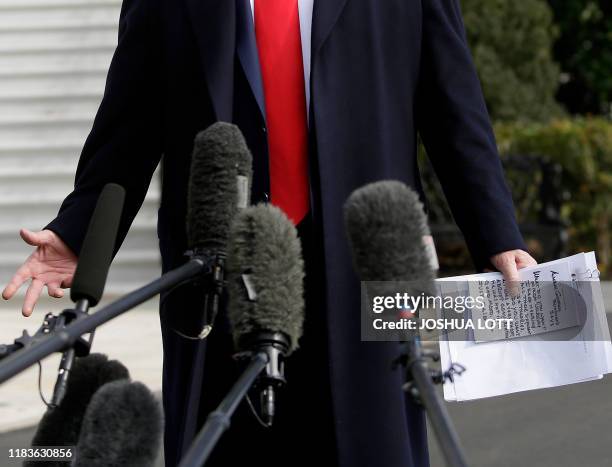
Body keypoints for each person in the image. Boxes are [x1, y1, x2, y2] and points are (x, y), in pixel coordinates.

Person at [2, 0, 537, 466]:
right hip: (218, 274)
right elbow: (130, 118)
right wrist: (77, 233)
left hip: (366, 266)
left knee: (373, 444)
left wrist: (496, 234)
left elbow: (453, 103)